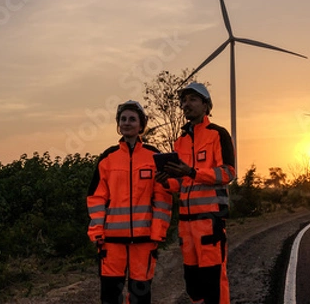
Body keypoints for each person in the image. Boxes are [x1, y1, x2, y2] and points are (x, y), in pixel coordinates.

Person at [156, 82, 236, 304]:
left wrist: (192, 172)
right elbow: (180, 184)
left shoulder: (218, 134)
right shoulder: (180, 141)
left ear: (206, 105)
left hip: (210, 222)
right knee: (193, 285)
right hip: (186, 225)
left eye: (192, 99)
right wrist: (165, 181)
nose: (185, 104)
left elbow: (228, 172)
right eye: (184, 100)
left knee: (213, 283)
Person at [87, 100, 173, 304]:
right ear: (118, 124)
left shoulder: (154, 157)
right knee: (110, 296)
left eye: (132, 119)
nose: (127, 123)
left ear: (141, 125)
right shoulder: (107, 158)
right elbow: (96, 198)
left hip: (143, 242)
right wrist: (97, 231)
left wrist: (158, 232)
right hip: (111, 242)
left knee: (140, 297)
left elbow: (162, 198)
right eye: (123, 119)